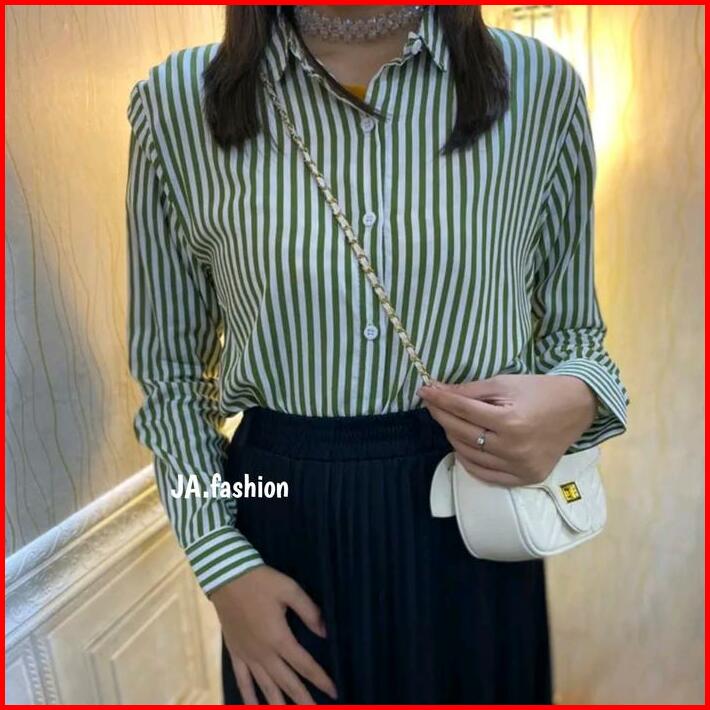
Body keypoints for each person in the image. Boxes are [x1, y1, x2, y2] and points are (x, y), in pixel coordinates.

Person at [125, 4, 630, 705]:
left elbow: (574, 337)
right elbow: (171, 380)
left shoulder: (539, 87)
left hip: (475, 514)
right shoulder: (177, 103)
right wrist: (222, 567)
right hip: (281, 527)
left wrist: (577, 399)